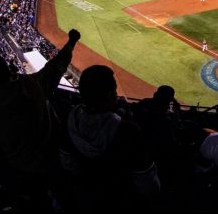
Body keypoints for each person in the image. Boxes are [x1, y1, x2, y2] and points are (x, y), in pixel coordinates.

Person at [0, 29, 81, 183]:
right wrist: (71, 42)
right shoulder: (29, 88)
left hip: (17, 166)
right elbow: (54, 68)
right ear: (8, 73)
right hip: (48, 160)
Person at [60, 65, 160, 210]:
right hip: (117, 200)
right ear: (109, 95)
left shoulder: (69, 117)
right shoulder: (127, 131)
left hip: (84, 195)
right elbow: (149, 185)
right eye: (114, 91)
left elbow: (68, 164)